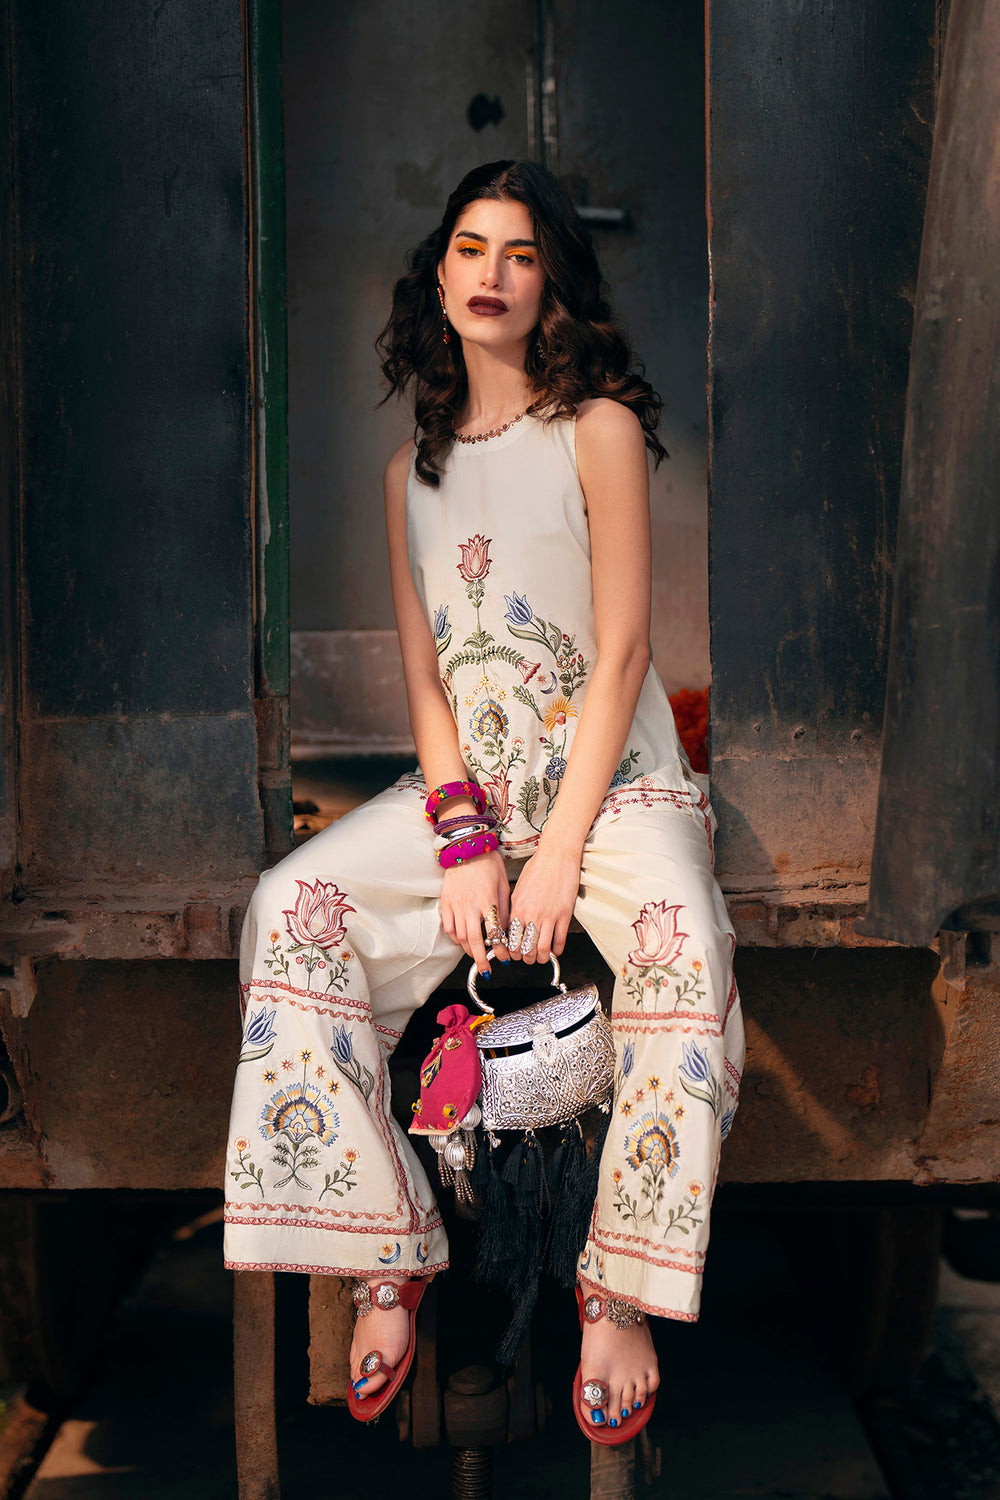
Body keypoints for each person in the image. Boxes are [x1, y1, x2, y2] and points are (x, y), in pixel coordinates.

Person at [224, 159, 745, 1442]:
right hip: (467, 797)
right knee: (291, 906)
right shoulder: (408, 473)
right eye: (469, 247)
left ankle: (617, 1289)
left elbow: (622, 652)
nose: (491, 275)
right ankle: (384, 1254)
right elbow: (426, 678)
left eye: (519, 252)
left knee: (683, 940)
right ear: (440, 273)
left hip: (612, 792)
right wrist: (464, 840)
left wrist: (556, 852)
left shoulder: (596, 428)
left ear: (551, 278)